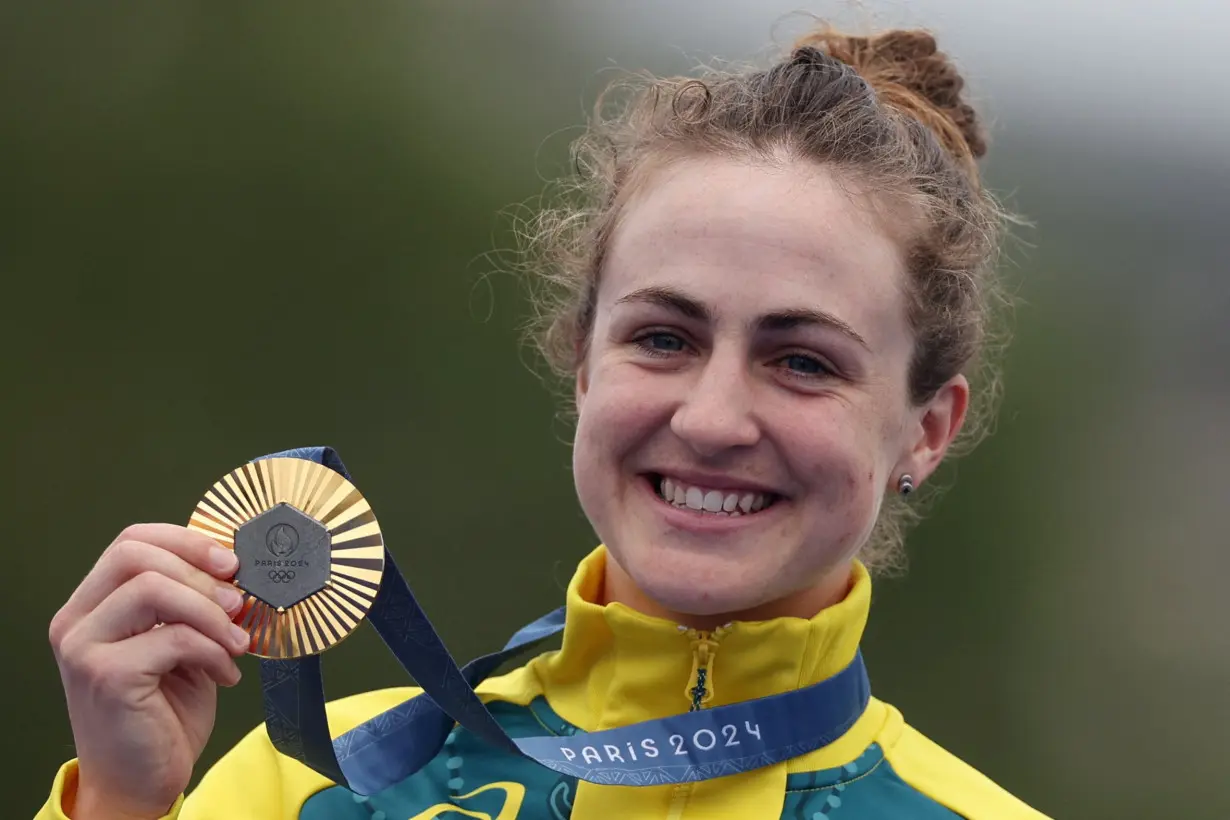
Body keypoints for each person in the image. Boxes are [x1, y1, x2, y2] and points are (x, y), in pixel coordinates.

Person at [36, 20, 1052, 820]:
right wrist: (124, 805)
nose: (711, 417)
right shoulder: (311, 787)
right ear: (581, 360)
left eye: (801, 360)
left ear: (926, 427)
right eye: (663, 338)